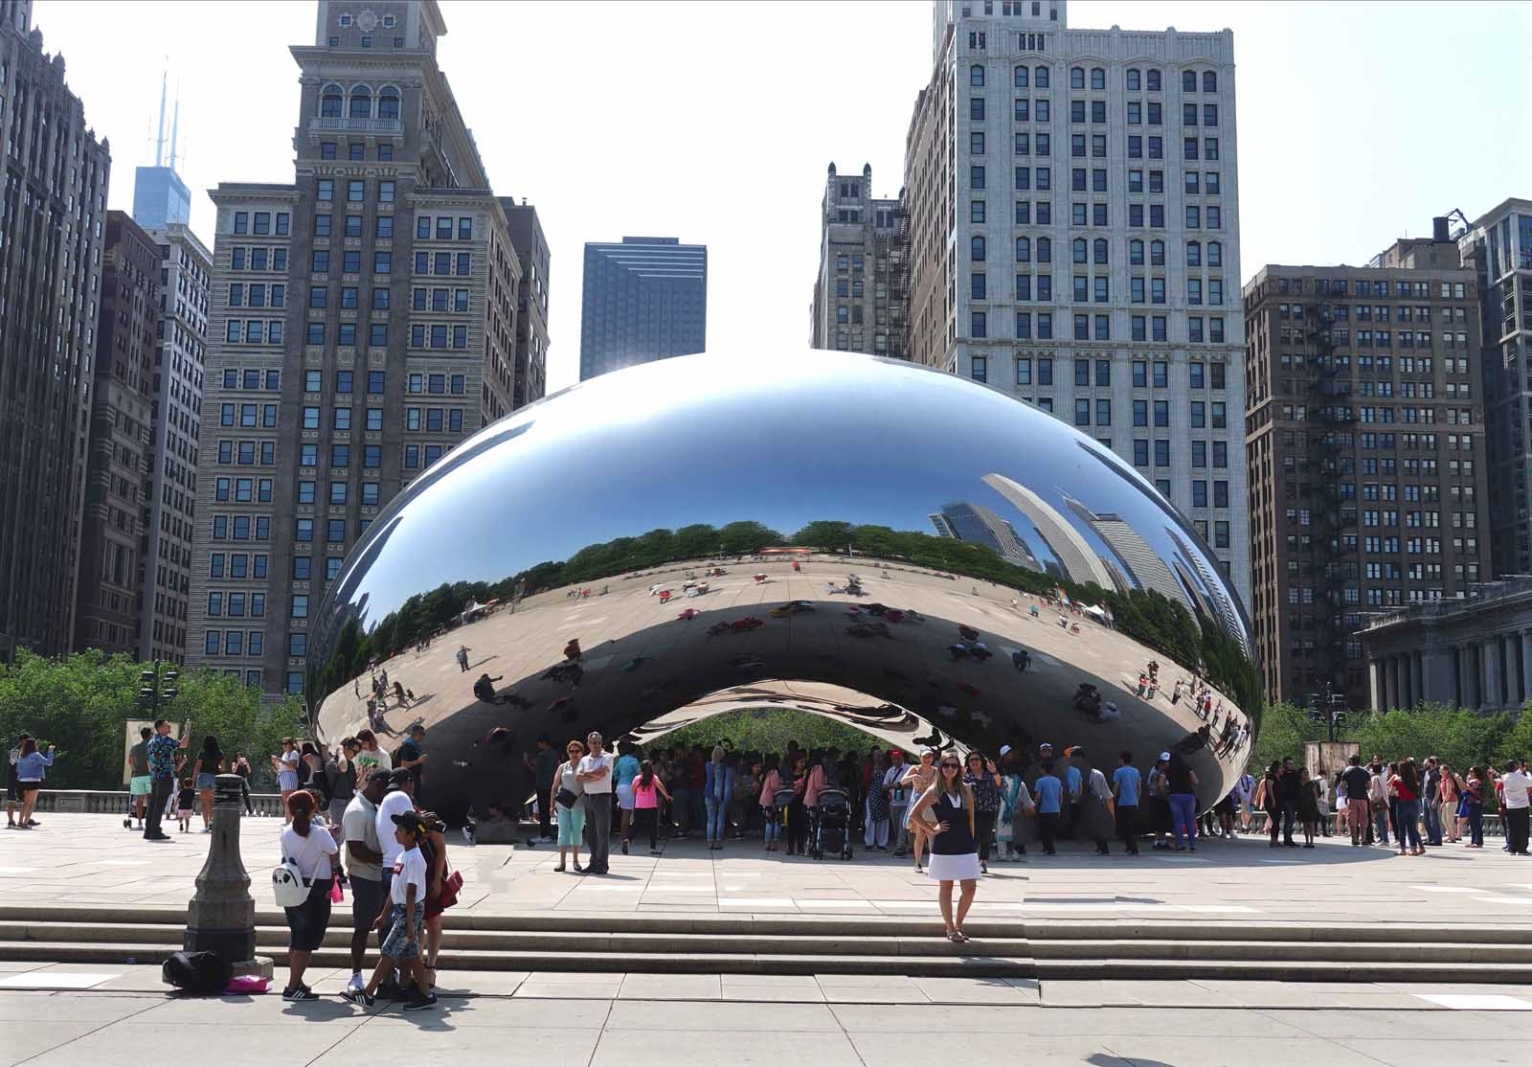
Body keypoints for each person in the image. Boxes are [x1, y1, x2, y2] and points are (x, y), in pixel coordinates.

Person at [343, 810, 437, 1011]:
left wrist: (411, 923)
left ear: (412, 834)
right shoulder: (403, 855)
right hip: (403, 910)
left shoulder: (414, 858)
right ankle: (426, 995)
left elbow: (411, 892)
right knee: (411, 955)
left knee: (388, 951)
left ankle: (367, 994)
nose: (395, 833)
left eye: (400, 829)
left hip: (408, 911)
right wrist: (384, 915)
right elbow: (396, 890)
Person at [907, 753, 981, 943]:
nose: (950, 769)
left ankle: (959, 924)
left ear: (959, 769)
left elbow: (971, 818)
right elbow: (914, 814)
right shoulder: (934, 790)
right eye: (946, 765)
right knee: (946, 886)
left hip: (965, 843)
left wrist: (973, 842)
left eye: (954, 766)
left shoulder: (965, 789)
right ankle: (950, 928)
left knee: (970, 888)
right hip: (944, 844)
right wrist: (932, 829)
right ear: (940, 768)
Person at [279, 791, 338, 1001]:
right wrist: (332, 835)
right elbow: (333, 854)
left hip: (293, 887)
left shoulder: (286, 832)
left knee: (297, 937)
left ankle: (297, 981)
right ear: (313, 807)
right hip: (317, 889)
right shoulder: (320, 833)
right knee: (307, 941)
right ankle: (292, 986)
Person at [341, 769, 389, 997]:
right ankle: (356, 974)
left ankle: (387, 974)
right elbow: (356, 850)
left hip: (378, 875)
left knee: (385, 927)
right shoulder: (357, 811)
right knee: (362, 927)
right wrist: (385, 858)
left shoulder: (373, 808)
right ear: (377, 784)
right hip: (364, 876)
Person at [144, 719, 189, 842]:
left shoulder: (151, 742)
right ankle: (155, 830)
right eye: (166, 726)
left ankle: (148, 830)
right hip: (165, 775)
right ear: (159, 728)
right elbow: (183, 744)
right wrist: (187, 730)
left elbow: (148, 761)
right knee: (160, 803)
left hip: (154, 776)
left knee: (153, 803)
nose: (169, 727)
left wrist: (152, 773)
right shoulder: (166, 741)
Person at [575, 731, 614, 874]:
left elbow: (603, 773)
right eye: (593, 743)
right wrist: (594, 774)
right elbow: (578, 777)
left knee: (602, 833)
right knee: (591, 833)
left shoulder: (608, 757)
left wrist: (588, 774)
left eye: (598, 742)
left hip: (602, 798)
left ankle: (602, 864)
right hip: (588, 798)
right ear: (588, 744)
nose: (596, 745)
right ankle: (593, 861)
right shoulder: (584, 759)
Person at [900, 749, 939, 871]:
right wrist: (915, 776)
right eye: (924, 757)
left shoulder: (936, 771)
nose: (927, 759)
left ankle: (933, 863)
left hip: (931, 803)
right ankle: (917, 862)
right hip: (918, 803)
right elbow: (902, 781)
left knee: (931, 832)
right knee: (920, 833)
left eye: (929, 757)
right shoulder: (915, 769)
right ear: (920, 757)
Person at [553, 739, 586, 873]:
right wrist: (551, 805)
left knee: (577, 831)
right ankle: (562, 862)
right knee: (563, 832)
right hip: (563, 804)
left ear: (581, 753)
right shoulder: (563, 767)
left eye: (577, 751)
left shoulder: (585, 766)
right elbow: (555, 786)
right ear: (568, 752)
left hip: (579, 804)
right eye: (571, 751)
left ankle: (576, 861)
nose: (574, 754)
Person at [13, 738, 54, 830]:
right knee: (31, 804)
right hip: (33, 781)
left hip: (22, 781)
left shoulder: (22, 756)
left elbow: (18, 770)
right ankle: (25, 823)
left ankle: (20, 822)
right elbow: (49, 763)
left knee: (25, 803)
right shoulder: (36, 755)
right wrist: (50, 751)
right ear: (34, 745)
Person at [631, 759, 669, 855]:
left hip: (639, 805)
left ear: (641, 768)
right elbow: (661, 786)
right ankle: (652, 848)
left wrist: (637, 796)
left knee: (637, 825)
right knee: (653, 827)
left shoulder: (637, 778)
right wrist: (666, 795)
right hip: (651, 805)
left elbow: (633, 791)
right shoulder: (654, 778)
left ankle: (628, 839)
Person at [325, 740, 359, 842]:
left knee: (347, 835)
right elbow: (343, 768)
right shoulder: (332, 763)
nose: (355, 755)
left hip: (349, 801)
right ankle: (335, 857)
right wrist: (340, 752)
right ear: (346, 748)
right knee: (337, 837)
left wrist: (364, 776)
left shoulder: (350, 764)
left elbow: (354, 785)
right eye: (354, 751)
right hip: (338, 803)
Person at [1165, 752, 1198, 852]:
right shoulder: (1187, 767)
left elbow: (1161, 784)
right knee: (1190, 821)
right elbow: (1196, 781)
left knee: (1178, 821)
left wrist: (1165, 792)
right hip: (1188, 796)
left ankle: (1180, 845)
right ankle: (1192, 845)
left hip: (1174, 795)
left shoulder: (1168, 770)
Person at [190, 735, 224, 833]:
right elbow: (223, 767)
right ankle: (212, 822)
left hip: (204, 776)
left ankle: (205, 826)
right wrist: (218, 767)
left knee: (205, 803)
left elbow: (198, 766)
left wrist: (193, 779)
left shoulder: (202, 752)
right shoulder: (219, 752)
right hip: (215, 777)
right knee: (213, 802)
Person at [1392, 759, 1425, 856]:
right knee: (1412, 827)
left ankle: (1403, 849)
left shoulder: (1397, 780)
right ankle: (1414, 849)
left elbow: (1391, 792)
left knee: (1402, 827)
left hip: (1403, 803)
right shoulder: (1415, 779)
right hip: (1414, 803)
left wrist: (1397, 793)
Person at [704, 744, 734, 850]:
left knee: (710, 820)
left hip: (709, 794)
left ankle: (709, 842)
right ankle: (717, 842)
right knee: (720, 820)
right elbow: (729, 783)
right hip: (722, 794)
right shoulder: (725, 767)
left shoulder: (708, 765)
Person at [1111, 751, 1141, 856]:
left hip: (1123, 802)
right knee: (1130, 825)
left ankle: (1133, 848)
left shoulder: (1119, 772)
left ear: (1122, 759)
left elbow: (1116, 786)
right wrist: (1137, 799)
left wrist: (1112, 797)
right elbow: (1139, 788)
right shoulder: (1136, 771)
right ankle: (1129, 847)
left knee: (1126, 826)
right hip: (1134, 802)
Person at [1499, 759, 1531, 856]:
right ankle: (1522, 849)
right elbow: (1530, 782)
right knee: (1523, 828)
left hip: (1510, 807)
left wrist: (1520, 770)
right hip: (1522, 805)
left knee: (1512, 828)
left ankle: (1512, 848)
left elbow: (1513, 774)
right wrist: (1528, 772)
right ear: (1514, 767)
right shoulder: (1519, 777)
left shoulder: (1504, 777)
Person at [1341, 755, 1373, 848]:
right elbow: (1370, 785)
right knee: (1364, 818)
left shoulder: (1347, 772)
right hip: (1363, 797)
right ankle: (1363, 839)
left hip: (1352, 797)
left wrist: (1346, 792)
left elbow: (1343, 785)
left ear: (1351, 761)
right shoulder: (1364, 772)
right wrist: (1364, 789)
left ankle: (1354, 839)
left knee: (1352, 818)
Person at [615, 742, 641, 854]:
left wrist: (620, 776)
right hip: (629, 787)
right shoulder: (634, 761)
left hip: (620, 786)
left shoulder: (621, 760)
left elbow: (615, 773)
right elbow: (640, 774)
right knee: (627, 813)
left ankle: (624, 836)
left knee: (625, 812)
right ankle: (624, 837)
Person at [124, 727, 152, 830]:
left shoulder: (135, 748)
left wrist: (134, 769)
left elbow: (130, 761)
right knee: (150, 800)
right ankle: (149, 821)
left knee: (139, 800)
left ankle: (140, 822)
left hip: (138, 776)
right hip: (149, 776)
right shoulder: (152, 747)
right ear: (150, 735)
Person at [1033, 760, 1063, 855]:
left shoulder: (1040, 781)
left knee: (1044, 830)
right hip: (1055, 809)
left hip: (1045, 810)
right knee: (1050, 830)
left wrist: (1033, 805)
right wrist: (1059, 808)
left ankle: (1049, 849)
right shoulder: (1058, 781)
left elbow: (1038, 796)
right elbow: (1061, 796)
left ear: (1043, 770)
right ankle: (1048, 848)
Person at [885, 749, 911, 856]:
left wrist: (906, 785)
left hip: (907, 802)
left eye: (898, 758)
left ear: (902, 758)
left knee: (902, 824)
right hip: (894, 803)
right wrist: (895, 785)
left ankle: (900, 847)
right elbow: (884, 786)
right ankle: (901, 843)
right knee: (896, 826)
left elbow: (917, 782)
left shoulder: (909, 769)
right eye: (894, 759)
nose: (896, 761)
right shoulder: (890, 771)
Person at [864, 751, 891, 850]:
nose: (879, 758)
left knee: (884, 819)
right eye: (877, 756)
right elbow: (865, 781)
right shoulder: (870, 767)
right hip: (872, 796)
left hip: (884, 797)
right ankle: (869, 842)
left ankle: (882, 843)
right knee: (870, 819)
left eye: (881, 756)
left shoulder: (886, 768)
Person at [272, 738, 301, 821]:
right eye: (283, 743)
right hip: (284, 777)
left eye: (286, 743)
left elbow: (293, 766)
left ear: (291, 744)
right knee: (285, 801)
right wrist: (275, 763)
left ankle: (291, 820)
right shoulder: (285, 754)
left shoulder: (293, 753)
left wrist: (281, 761)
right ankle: (287, 820)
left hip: (290, 777)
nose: (284, 745)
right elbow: (280, 768)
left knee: (290, 800)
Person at [1422, 757, 1444, 846]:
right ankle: (1431, 838)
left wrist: (1435, 799)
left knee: (1433, 820)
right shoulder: (1426, 773)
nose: (1424, 765)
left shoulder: (1434, 774)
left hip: (1432, 798)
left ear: (1431, 764)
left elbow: (1438, 787)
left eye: (1426, 763)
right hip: (1425, 798)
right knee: (1425, 820)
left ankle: (1437, 840)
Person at [1463, 766, 1486, 849]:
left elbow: (1471, 790)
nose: (1469, 772)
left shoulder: (1475, 781)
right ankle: (1473, 841)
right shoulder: (1471, 781)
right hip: (1470, 803)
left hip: (1475, 804)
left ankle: (1478, 841)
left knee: (1476, 823)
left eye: (1471, 771)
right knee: (1473, 823)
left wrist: (1460, 781)